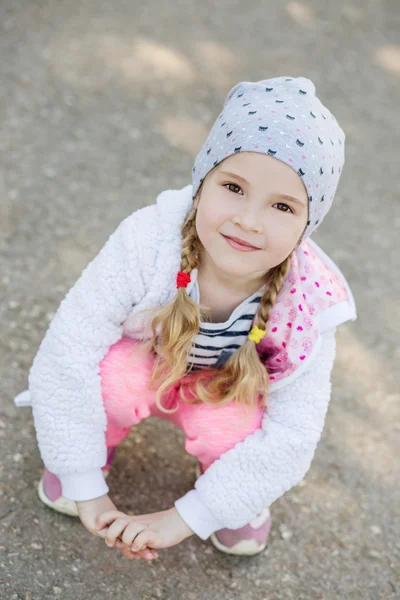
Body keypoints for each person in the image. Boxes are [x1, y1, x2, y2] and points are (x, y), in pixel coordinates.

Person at [13, 76, 357, 560]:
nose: (249, 220)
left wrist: (191, 516)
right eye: (233, 187)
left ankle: (230, 496)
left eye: (282, 205)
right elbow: (69, 346)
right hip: (148, 363)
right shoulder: (149, 242)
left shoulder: (306, 306)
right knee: (107, 377)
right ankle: (90, 454)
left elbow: (292, 435)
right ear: (201, 183)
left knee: (237, 430)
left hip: (225, 392)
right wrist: (82, 480)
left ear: (308, 224)